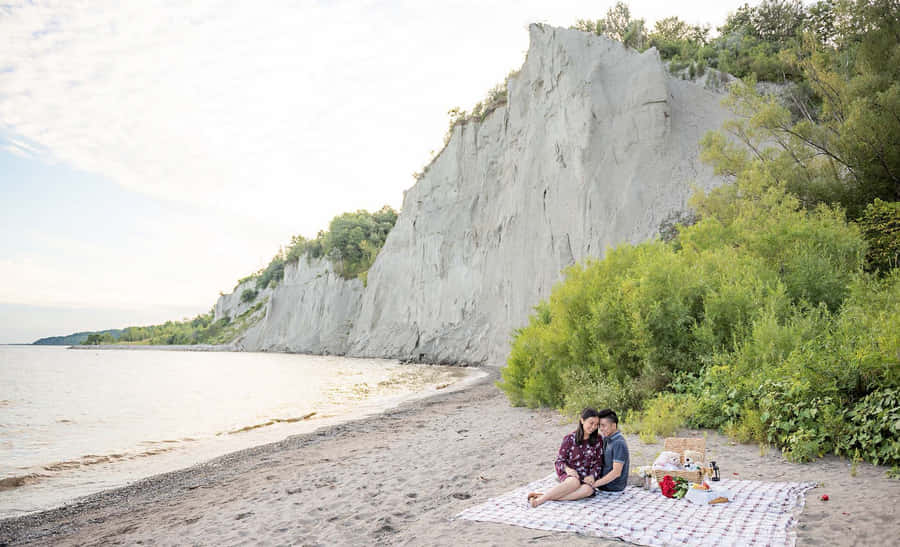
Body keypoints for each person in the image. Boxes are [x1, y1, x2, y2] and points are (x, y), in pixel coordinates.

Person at [528, 408, 603, 508]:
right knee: (574, 483)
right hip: (571, 474)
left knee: (588, 490)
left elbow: (598, 462)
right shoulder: (569, 439)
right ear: (582, 420)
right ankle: (540, 500)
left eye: (596, 424)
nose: (593, 427)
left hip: (586, 476)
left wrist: (592, 476)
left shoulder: (598, 439)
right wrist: (569, 470)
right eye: (591, 423)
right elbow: (559, 461)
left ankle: (544, 495)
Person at [592, 408, 630, 492]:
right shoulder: (607, 438)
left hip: (613, 487)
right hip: (603, 484)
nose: (601, 429)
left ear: (613, 425)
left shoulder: (619, 443)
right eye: (599, 426)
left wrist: (594, 484)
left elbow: (616, 472)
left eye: (603, 425)